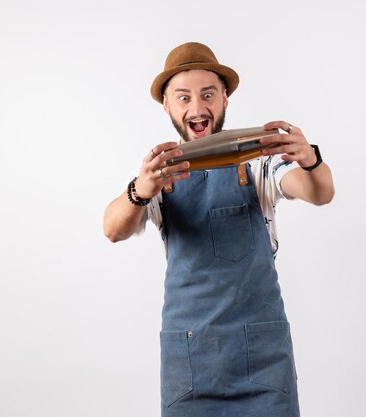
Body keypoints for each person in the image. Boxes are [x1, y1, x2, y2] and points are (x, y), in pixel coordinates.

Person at [103, 42, 334, 417]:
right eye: (184, 98)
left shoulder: (260, 165)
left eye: (208, 94)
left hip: (263, 361)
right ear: (167, 105)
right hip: (190, 362)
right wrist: (139, 190)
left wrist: (311, 161)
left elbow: (319, 193)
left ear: (225, 98)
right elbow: (113, 229)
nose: (197, 108)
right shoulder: (159, 175)